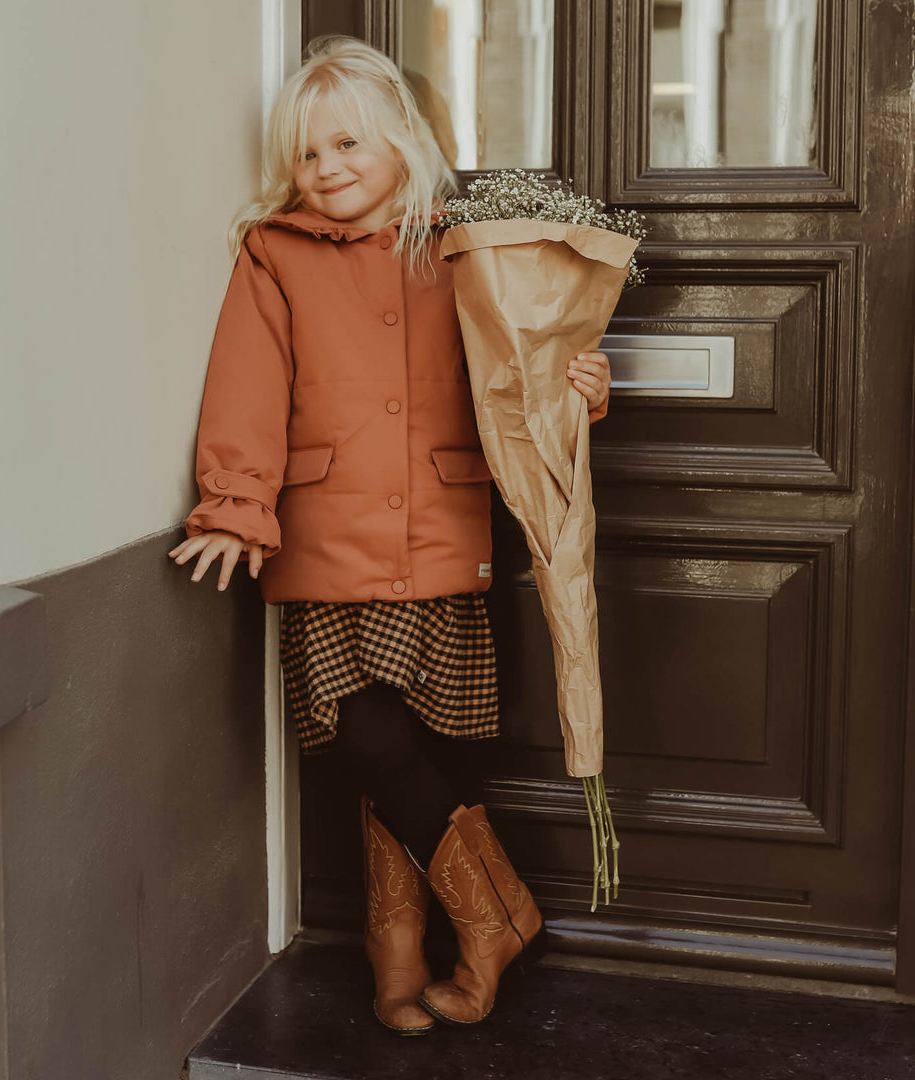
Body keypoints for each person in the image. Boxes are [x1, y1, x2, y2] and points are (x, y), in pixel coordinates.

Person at [168, 35, 612, 1035]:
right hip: (324, 539)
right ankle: (500, 917)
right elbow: (245, 387)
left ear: (402, 141)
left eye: (346, 145)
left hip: (449, 528)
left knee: (438, 750)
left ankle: (406, 951)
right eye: (305, 153)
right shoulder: (275, 253)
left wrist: (582, 389)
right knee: (362, 736)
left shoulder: (466, 249)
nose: (324, 168)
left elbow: (523, 371)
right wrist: (235, 505)